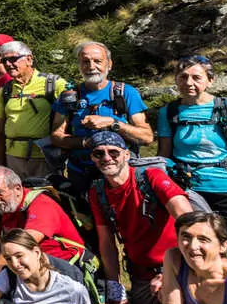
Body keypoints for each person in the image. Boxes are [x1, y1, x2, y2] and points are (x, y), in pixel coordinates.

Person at [156, 55, 227, 279]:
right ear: (176, 80)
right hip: (189, 190)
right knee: (198, 254)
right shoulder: (168, 113)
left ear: (210, 80)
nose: (189, 83)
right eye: (183, 77)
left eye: (197, 77)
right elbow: (163, 155)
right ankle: (211, 303)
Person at [87, 131, 193, 304]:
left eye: (113, 152)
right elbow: (107, 244)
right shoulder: (98, 192)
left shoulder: (151, 178)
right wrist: (117, 291)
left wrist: (170, 273)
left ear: (126, 155)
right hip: (141, 272)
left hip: (181, 266)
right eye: (99, 153)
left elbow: (190, 223)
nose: (106, 158)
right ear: (92, 158)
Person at [50, 41, 154, 204]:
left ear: (109, 64)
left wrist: (113, 124)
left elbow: (147, 136)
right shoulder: (69, 96)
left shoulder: (125, 93)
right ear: (79, 65)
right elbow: (56, 136)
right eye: (85, 61)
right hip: (81, 173)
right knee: (85, 221)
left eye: (97, 61)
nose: (91, 66)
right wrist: (85, 142)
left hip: (118, 173)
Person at [0, 166, 86, 294]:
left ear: (17, 188)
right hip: (27, 265)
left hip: (64, 268)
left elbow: (21, 245)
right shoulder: (0, 209)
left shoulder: (41, 205)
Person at [0, 40, 64, 177]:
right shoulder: (5, 90)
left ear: (29, 59)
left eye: (13, 59)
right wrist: (0, 166)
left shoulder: (54, 84)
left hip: (44, 157)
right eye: (4, 60)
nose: (7, 64)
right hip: (12, 157)